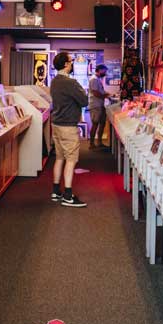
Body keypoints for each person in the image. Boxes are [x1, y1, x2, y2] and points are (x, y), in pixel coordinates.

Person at [50, 51, 88, 208]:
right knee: (71, 160)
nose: (72, 64)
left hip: (56, 125)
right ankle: (67, 195)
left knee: (59, 158)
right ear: (66, 64)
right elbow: (84, 100)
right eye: (71, 61)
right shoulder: (70, 83)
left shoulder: (55, 81)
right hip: (68, 126)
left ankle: (55, 191)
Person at [88, 64, 111, 149]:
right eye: (104, 71)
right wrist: (105, 96)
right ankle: (91, 144)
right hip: (95, 105)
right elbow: (95, 93)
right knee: (95, 124)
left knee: (102, 123)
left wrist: (107, 94)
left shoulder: (98, 79)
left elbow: (100, 91)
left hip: (100, 104)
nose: (105, 73)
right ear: (100, 70)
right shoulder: (94, 79)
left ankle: (99, 142)